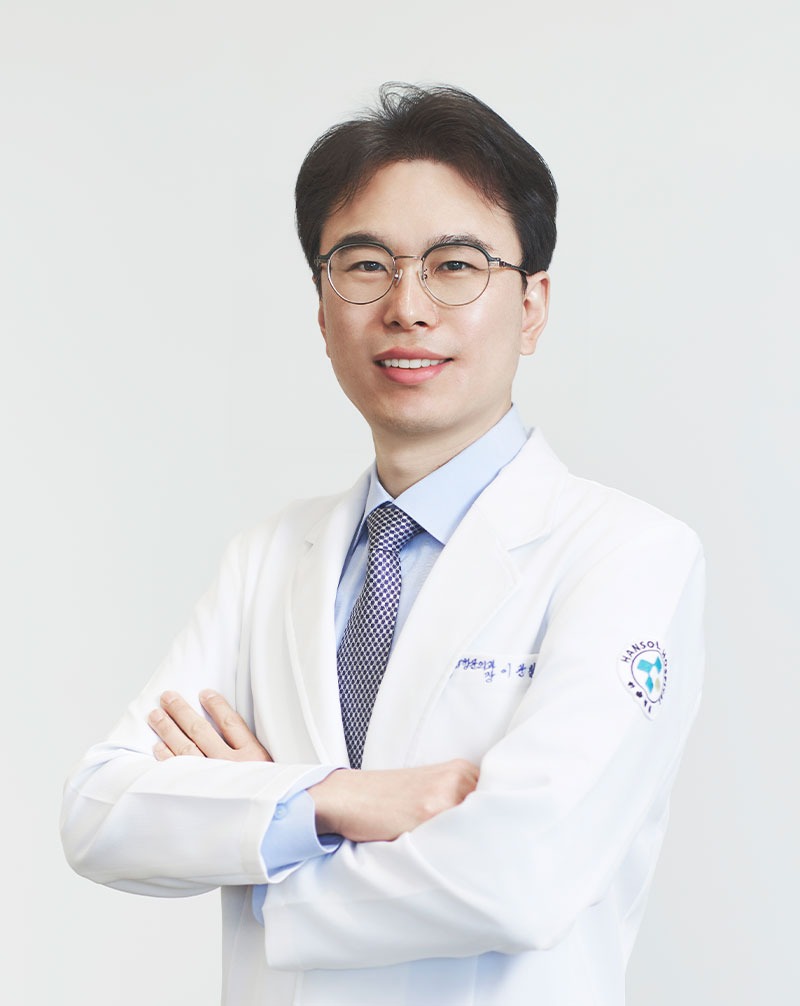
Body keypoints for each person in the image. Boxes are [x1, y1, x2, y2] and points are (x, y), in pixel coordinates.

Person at [61, 83, 705, 1006]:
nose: (407, 307)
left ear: (531, 306)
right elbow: (100, 814)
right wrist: (333, 797)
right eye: (365, 265)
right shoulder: (267, 558)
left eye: (455, 265)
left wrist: (260, 834)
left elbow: (517, 877)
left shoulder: (628, 556)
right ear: (322, 309)